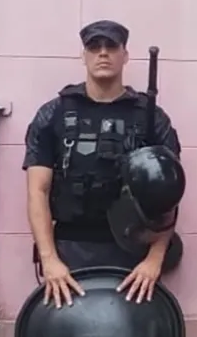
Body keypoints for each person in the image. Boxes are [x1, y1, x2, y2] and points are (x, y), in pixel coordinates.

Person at [23, 20, 183, 309]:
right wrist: (50, 260)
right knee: (69, 332)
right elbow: (38, 191)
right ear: (84, 55)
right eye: (94, 47)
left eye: (111, 46)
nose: (103, 53)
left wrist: (154, 259)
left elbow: (168, 196)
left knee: (132, 332)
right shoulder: (53, 114)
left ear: (125, 55)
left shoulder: (150, 118)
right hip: (70, 254)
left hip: (133, 255)